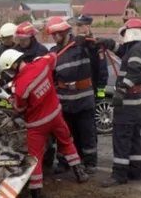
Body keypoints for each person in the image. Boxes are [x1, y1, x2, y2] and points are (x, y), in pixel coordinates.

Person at [0, 49, 88, 198]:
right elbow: (53, 56)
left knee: (35, 158)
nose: (8, 74)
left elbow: (20, 107)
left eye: (8, 70)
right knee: (66, 142)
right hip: (55, 115)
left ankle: (36, 192)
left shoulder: (20, 86)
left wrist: (7, 97)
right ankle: (80, 173)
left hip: (37, 125)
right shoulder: (42, 64)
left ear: (13, 65)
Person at [45, 16, 99, 174]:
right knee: (65, 134)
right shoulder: (54, 52)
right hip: (64, 101)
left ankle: (90, 163)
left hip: (84, 98)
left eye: (57, 34)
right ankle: (64, 162)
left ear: (65, 32)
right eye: (53, 35)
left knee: (87, 133)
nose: (54, 38)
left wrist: (89, 41)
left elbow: (95, 51)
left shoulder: (81, 45)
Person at [98, 18, 141, 187]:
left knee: (121, 137)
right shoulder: (135, 48)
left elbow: (135, 73)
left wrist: (122, 89)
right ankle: (136, 170)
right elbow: (122, 51)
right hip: (136, 103)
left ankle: (119, 174)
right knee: (134, 138)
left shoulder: (137, 49)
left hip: (129, 102)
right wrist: (108, 43)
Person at [75, 14, 108, 99]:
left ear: (88, 26)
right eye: (76, 25)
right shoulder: (74, 44)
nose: (77, 28)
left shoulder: (96, 45)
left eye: (80, 25)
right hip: (76, 89)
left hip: (91, 87)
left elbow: (102, 68)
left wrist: (101, 89)